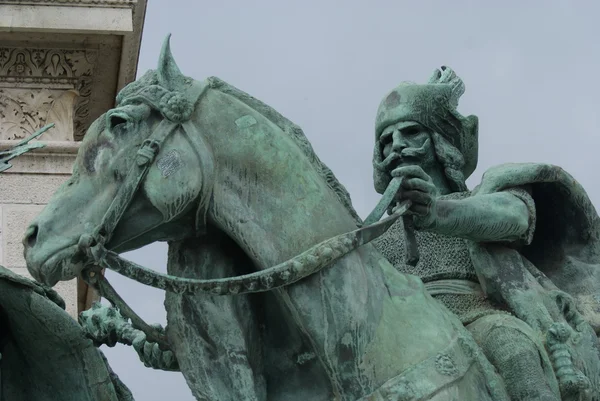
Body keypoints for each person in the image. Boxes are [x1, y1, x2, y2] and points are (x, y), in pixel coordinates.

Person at [371, 66, 600, 401]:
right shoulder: (375, 234)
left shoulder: (480, 200)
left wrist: (436, 211)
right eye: (386, 141)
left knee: (515, 349)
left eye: (410, 132)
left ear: (439, 142)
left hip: (475, 315)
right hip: (401, 330)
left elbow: (515, 218)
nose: (396, 146)